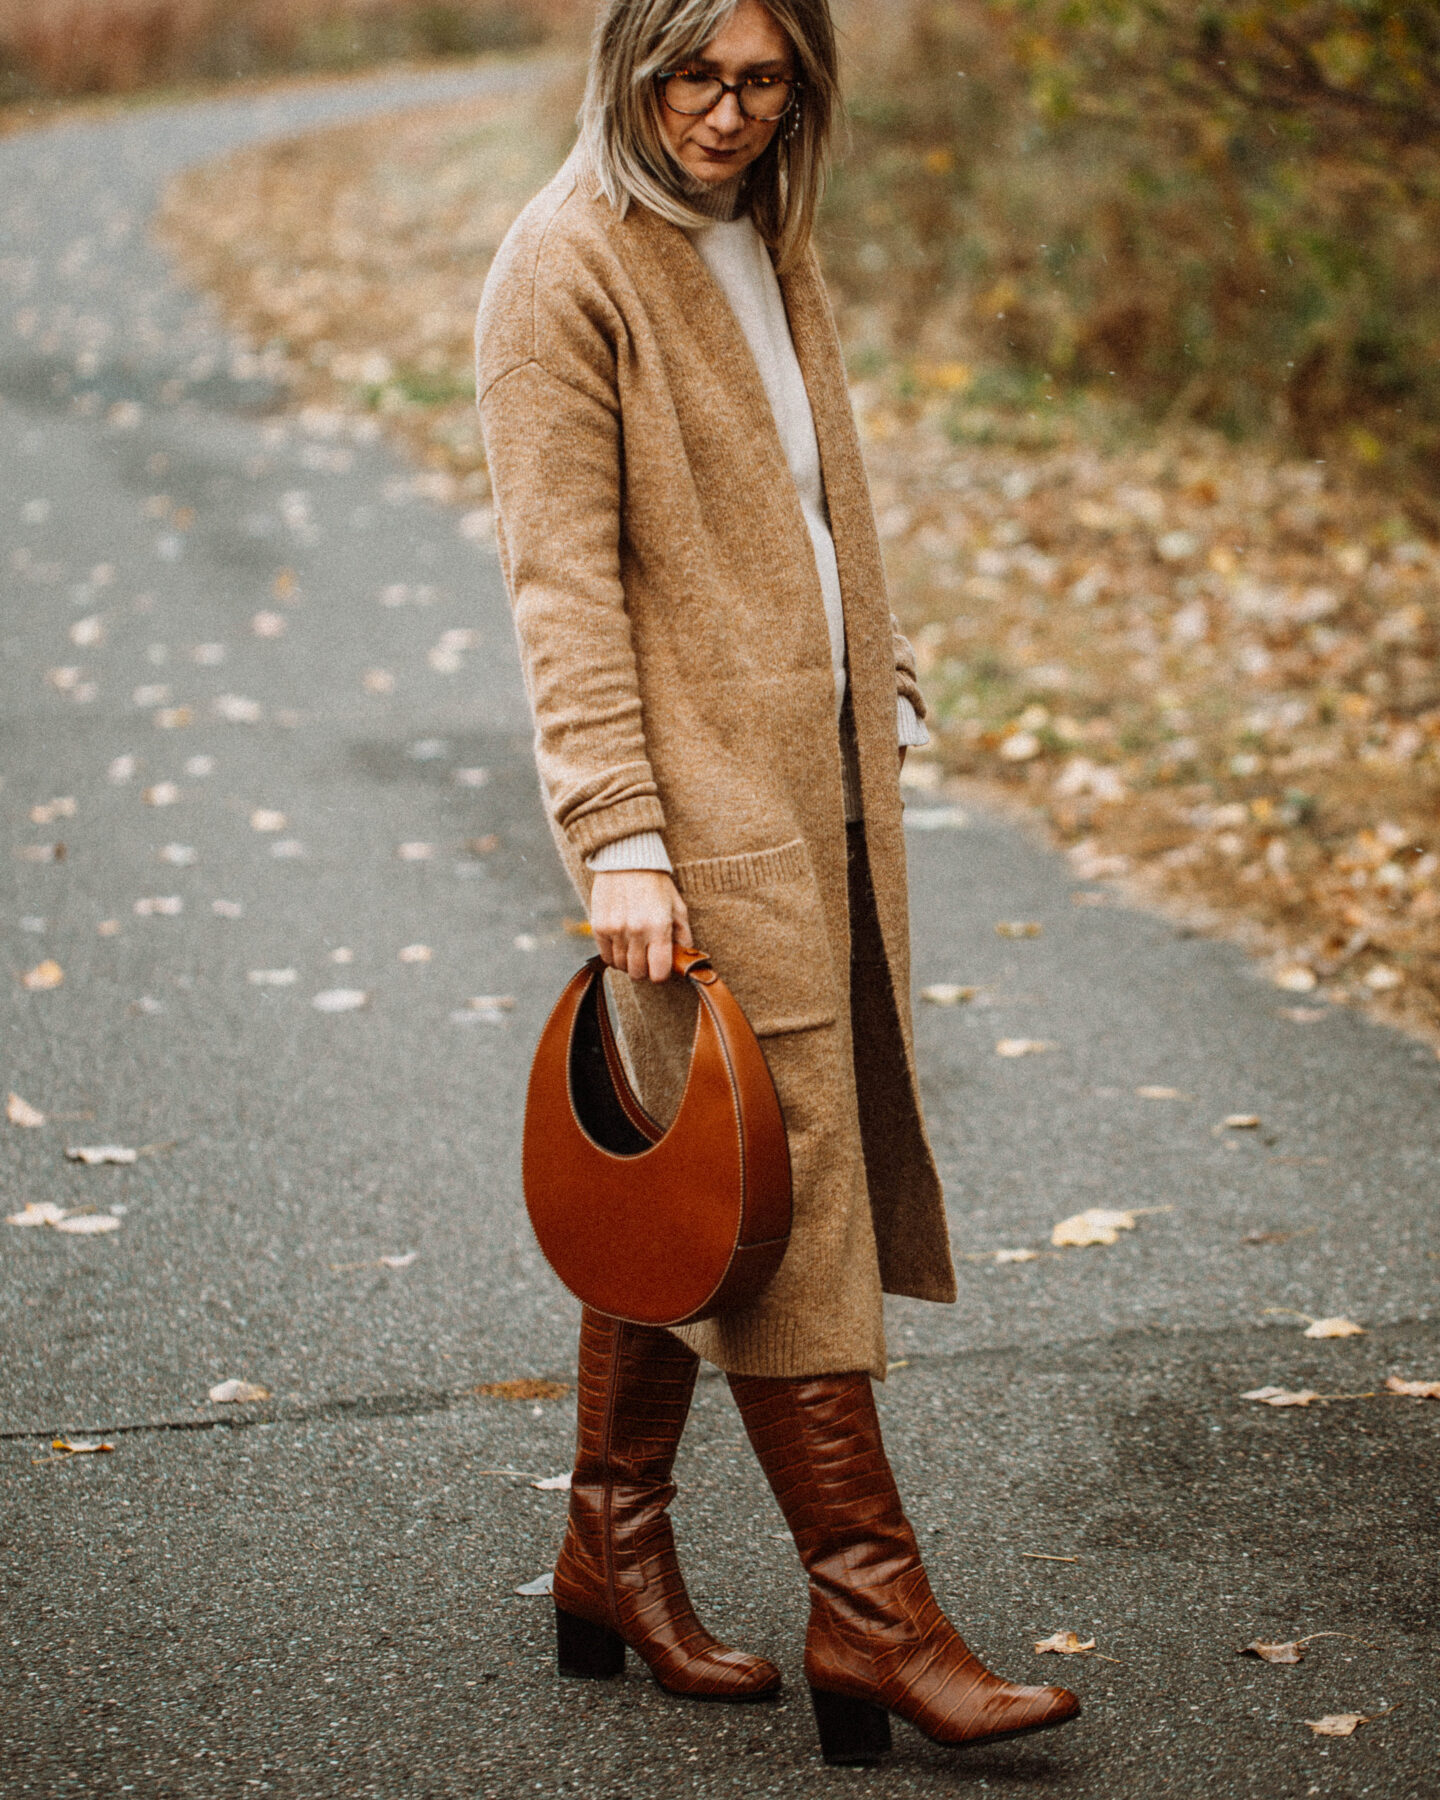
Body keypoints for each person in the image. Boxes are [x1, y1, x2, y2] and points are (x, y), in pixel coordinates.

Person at [476, 0, 1080, 1766]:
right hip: (697, 810)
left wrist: (869, 667)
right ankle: (874, 1613)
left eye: (764, 80)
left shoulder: (761, 234)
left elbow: (810, 499)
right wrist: (621, 835)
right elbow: (559, 585)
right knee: (788, 1177)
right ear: (626, 66)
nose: (729, 114)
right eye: (695, 77)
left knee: (706, 1163)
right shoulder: (559, 271)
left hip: (815, 783)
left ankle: (611, 1547)